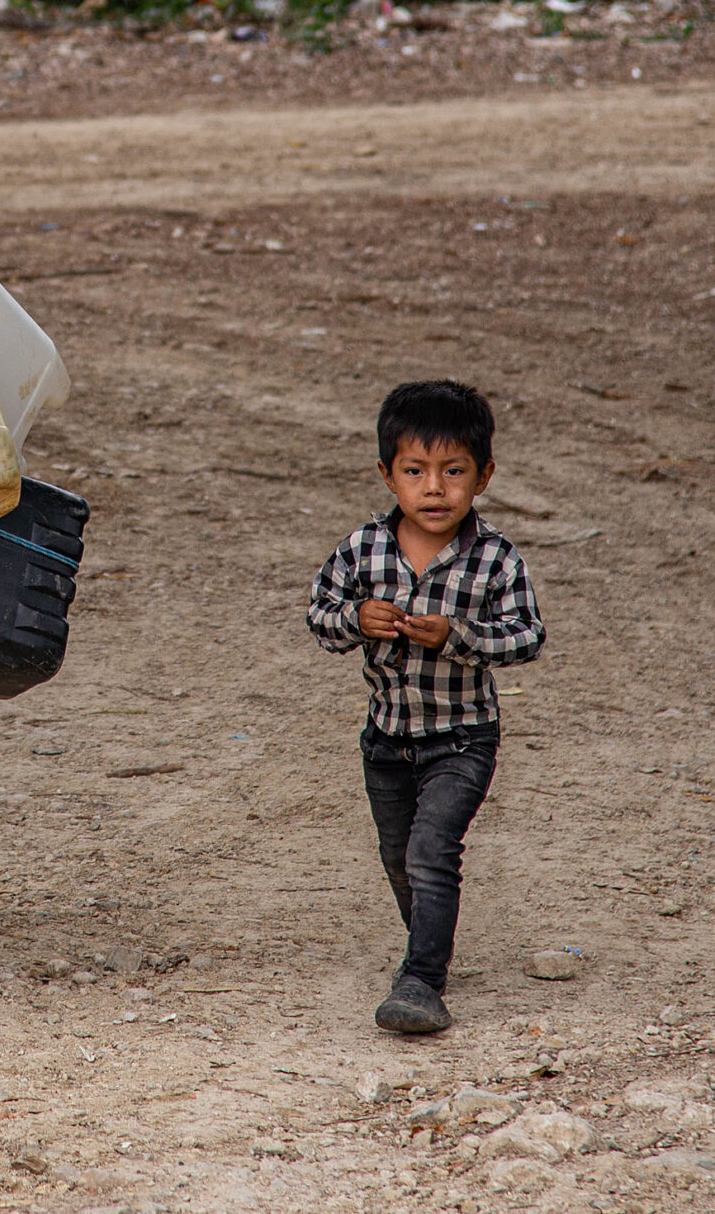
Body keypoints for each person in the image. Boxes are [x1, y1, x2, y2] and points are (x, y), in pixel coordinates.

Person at [307, 380, 545, 1035]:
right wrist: (356, 616)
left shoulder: (495, 558)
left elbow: (528, 634)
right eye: (415, 471)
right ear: (388, 474)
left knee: (431, 847)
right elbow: (319, 616)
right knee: (398, 855)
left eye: (453, 472)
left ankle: (423, 981)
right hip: (386, 740)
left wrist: (459, 636)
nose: (434, 489)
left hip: (462, 738)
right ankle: (428, 941)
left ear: (484, 475)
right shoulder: (363, 550)